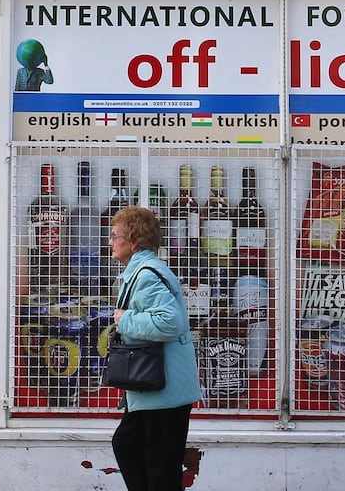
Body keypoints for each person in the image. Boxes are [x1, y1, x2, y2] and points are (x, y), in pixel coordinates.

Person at [109, 205, 202, 491]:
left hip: (163, 389)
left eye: (115, 235)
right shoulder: (141, 270)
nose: (110, 241)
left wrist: (125, 320)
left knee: (159, 463)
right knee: (133, 447)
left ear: (134, 241)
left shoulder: (147, 274)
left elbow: (168, 323)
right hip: (156, 388)